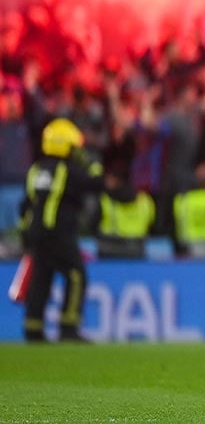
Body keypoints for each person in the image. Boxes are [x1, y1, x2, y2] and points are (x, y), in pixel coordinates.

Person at [20, 118, 104, 342]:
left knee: (41, 278)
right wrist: (90, 162)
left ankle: (33, 328)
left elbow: (25, 205)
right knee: (76, 275)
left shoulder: (36, 170)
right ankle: (69, 326)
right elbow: (97, 182)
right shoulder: (67, 170)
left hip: (35, 232)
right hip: (58, 232)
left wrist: (24, 234)